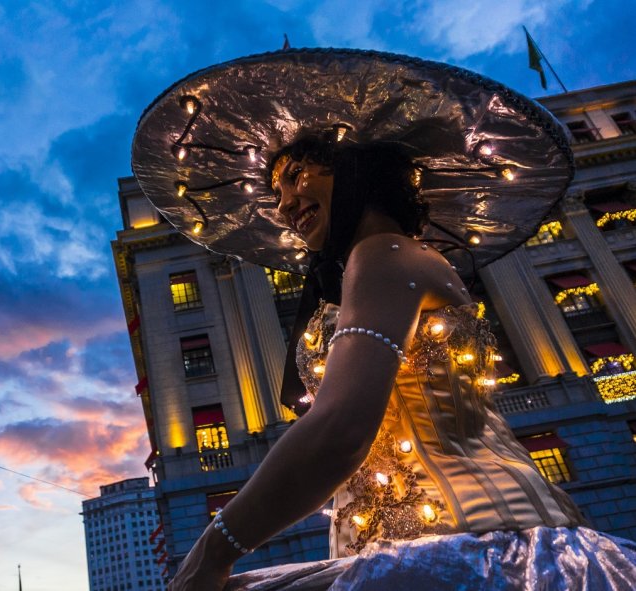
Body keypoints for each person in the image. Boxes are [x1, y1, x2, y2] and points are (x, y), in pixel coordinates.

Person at [130, 48, 636, 590]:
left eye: (297, 174)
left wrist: (210, 554)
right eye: (277, 190)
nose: (284, 203)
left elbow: (340, 427)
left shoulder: (385, 255)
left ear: (354, 169)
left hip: (472, 552)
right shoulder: (379, 264)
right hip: (412, 552)